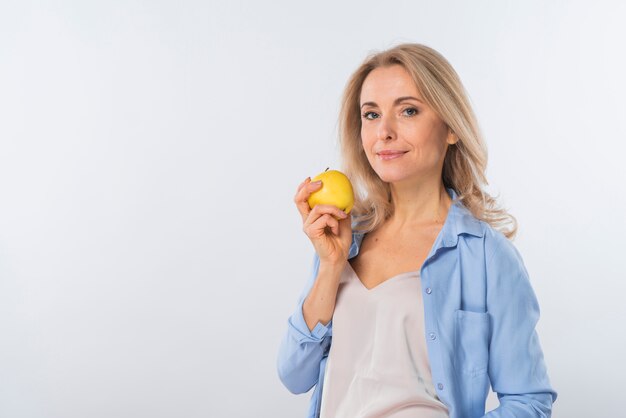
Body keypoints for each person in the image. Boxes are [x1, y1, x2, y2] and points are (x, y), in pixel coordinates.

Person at [277, 43, 557, 418]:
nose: (384, 132)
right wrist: (330, 266)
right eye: (371, 114)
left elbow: (529, 402)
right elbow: (294, 375)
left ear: (451, 128)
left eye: (408, 110)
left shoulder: (487, 257)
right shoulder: (345, 238)